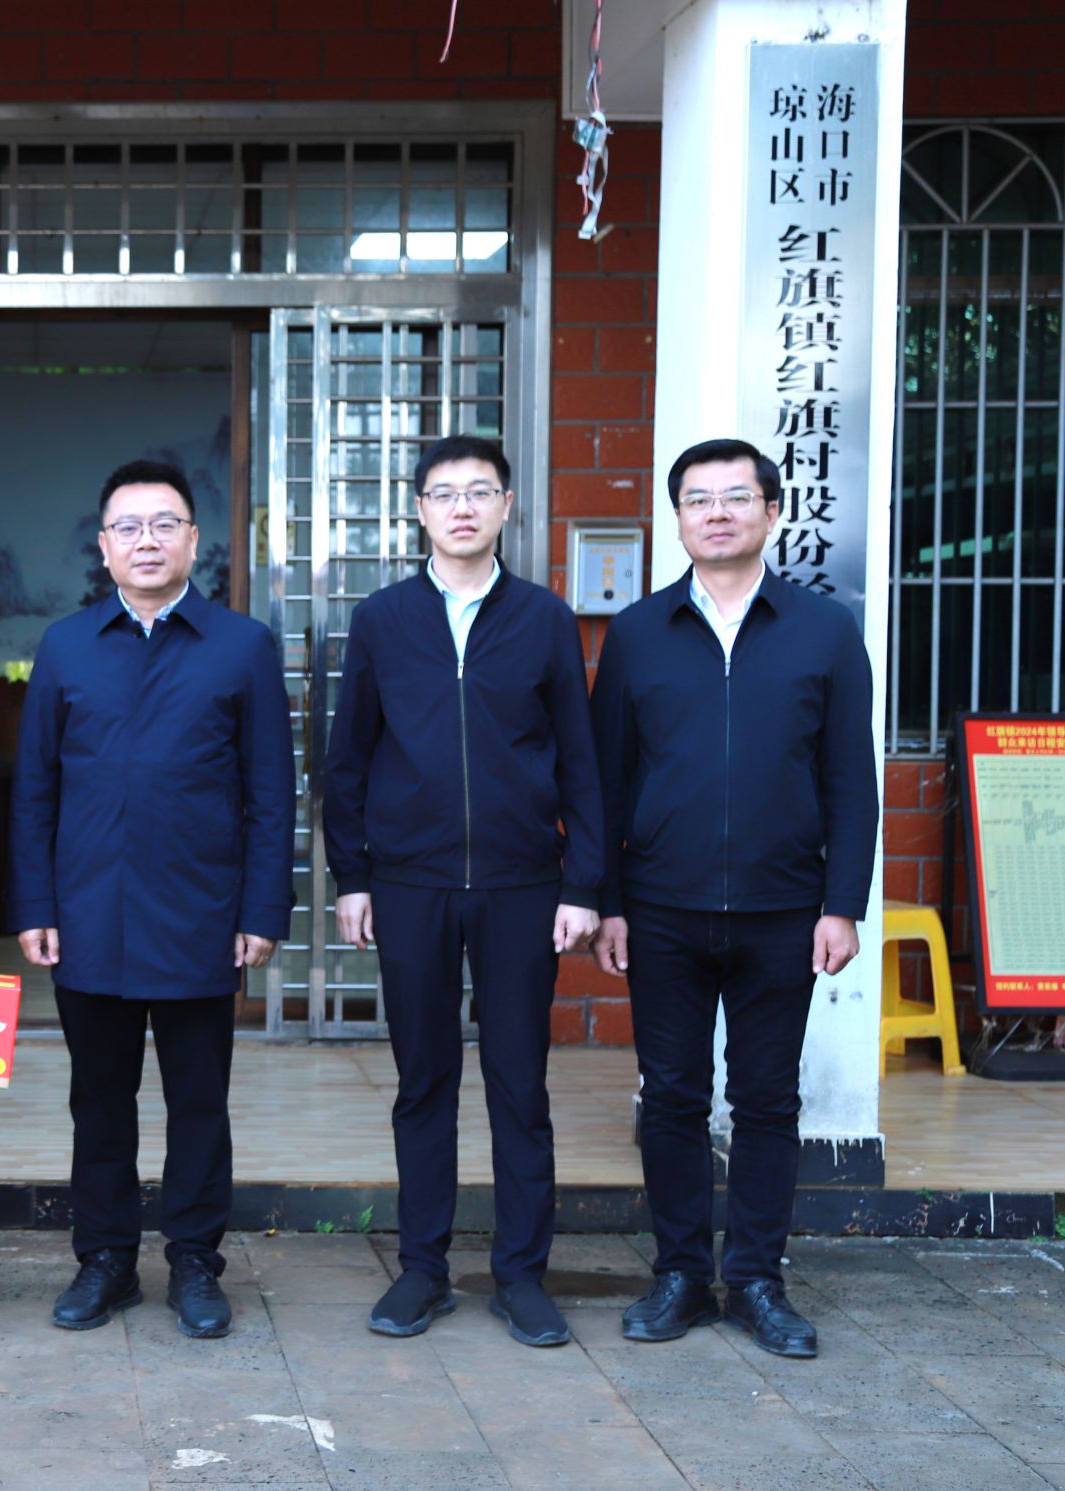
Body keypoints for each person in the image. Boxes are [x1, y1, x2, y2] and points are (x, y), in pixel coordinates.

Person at [592, 438, 877, 1360]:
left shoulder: (823, 629)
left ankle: (756, 1277)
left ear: (771, 511)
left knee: (766, 1099)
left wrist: (842, 902)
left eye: (735, 497)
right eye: (698, 499)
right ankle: (680, 1271)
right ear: (677, 517)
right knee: (672, 1095)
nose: (716, 513)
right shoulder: (638, 633)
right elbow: (606, 778)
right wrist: (608, 901)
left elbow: (851, 777)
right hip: (661, 906)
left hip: (784, 908)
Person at [322, 434, 604, 1349]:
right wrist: (353, 875)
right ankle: (423, 1267)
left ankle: (521, 1274)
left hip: (524, 885)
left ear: (507, 506)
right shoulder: (383, 618)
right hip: (411, 883)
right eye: (444, 493)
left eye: (480, 491)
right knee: (424, 1081)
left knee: (520, 1083)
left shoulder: (544, 617)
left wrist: (582, 882)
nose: (463, 508)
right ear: (420, 510)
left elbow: (580, 759)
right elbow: (348, 757)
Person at [10, 458, 293, 1340]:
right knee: (99, 1103)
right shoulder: (66, 646)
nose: (146, 540)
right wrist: (34, 904)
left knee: (198, 1104)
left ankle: (196, 1261)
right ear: (103, 545)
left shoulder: (242, 646)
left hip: (201, 918)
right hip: (88, 916)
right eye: (127, 526)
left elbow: (270, 794)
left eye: (164, 523)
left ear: (193, 541)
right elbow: (34, 790)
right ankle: (105, 1258)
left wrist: (262, 910)